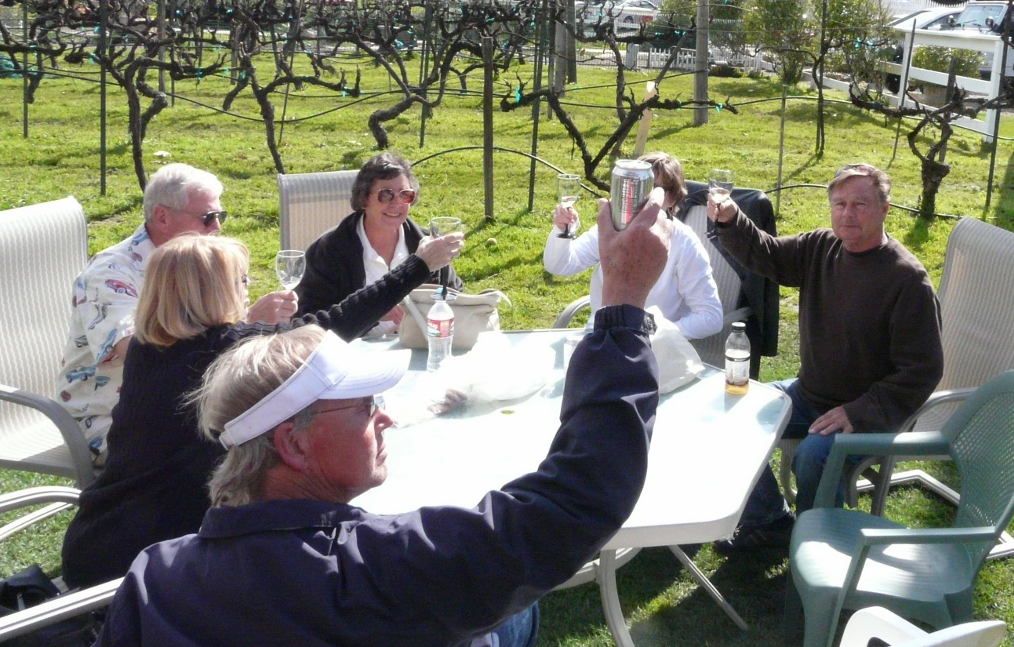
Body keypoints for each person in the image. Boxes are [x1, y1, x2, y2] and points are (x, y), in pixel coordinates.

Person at [95, 194, 670, 647]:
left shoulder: (155, 579)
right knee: (515, 614)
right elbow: (576, 500)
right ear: (292, 445)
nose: (386, 418)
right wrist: (621, 307)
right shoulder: (389, 567)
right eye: (365, 406)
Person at [60, 225, 463, 590]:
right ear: (212, 291)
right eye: (240, 280)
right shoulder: (230, 349)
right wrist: (418, 266)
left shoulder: (147, 348)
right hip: (150, 571)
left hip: (97, 537)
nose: (247, 288)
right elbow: (335, 324)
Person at [707, 163, 943, 551]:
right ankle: (770, 520)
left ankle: (817, 547)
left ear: (884, 209)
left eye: (860, 204)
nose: (848, 214)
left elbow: (923, 370)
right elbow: (768, 253)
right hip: (809, 395)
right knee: (729, 413)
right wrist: (732, 220)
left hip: (868, 417)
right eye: (840, 203)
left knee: (814, 455)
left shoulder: (907, 280)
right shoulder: (821, 247)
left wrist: (859, 411)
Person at [57, 163, 296, 462]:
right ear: (162, 217)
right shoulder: (111, 274)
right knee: (256, 452)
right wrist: (248, 325)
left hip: (183, 403)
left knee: (286, 430)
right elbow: (139, 351)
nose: (217, 227)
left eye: (219, 216)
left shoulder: (198, 264)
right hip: (112, 419)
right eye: (207, 217)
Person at [543, 152, 721, 339]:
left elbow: (710, 317)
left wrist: (653, 337)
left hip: (653, 348)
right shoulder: (611, 229)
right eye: (632, 187)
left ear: (672, 198)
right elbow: (559, 266)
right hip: (600, 339)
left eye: (650, 189)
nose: (638, 198)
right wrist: (563, 228)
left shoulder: (684, 243)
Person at [295, 153, 463, 334]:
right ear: (364, 199)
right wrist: (370, 310)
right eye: (386, 195)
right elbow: (308, 323)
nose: (396, 203)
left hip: (418, 347)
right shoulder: (329, 251)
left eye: (405, 195)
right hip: (352, 348)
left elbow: (457, 299)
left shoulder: (426, 246)